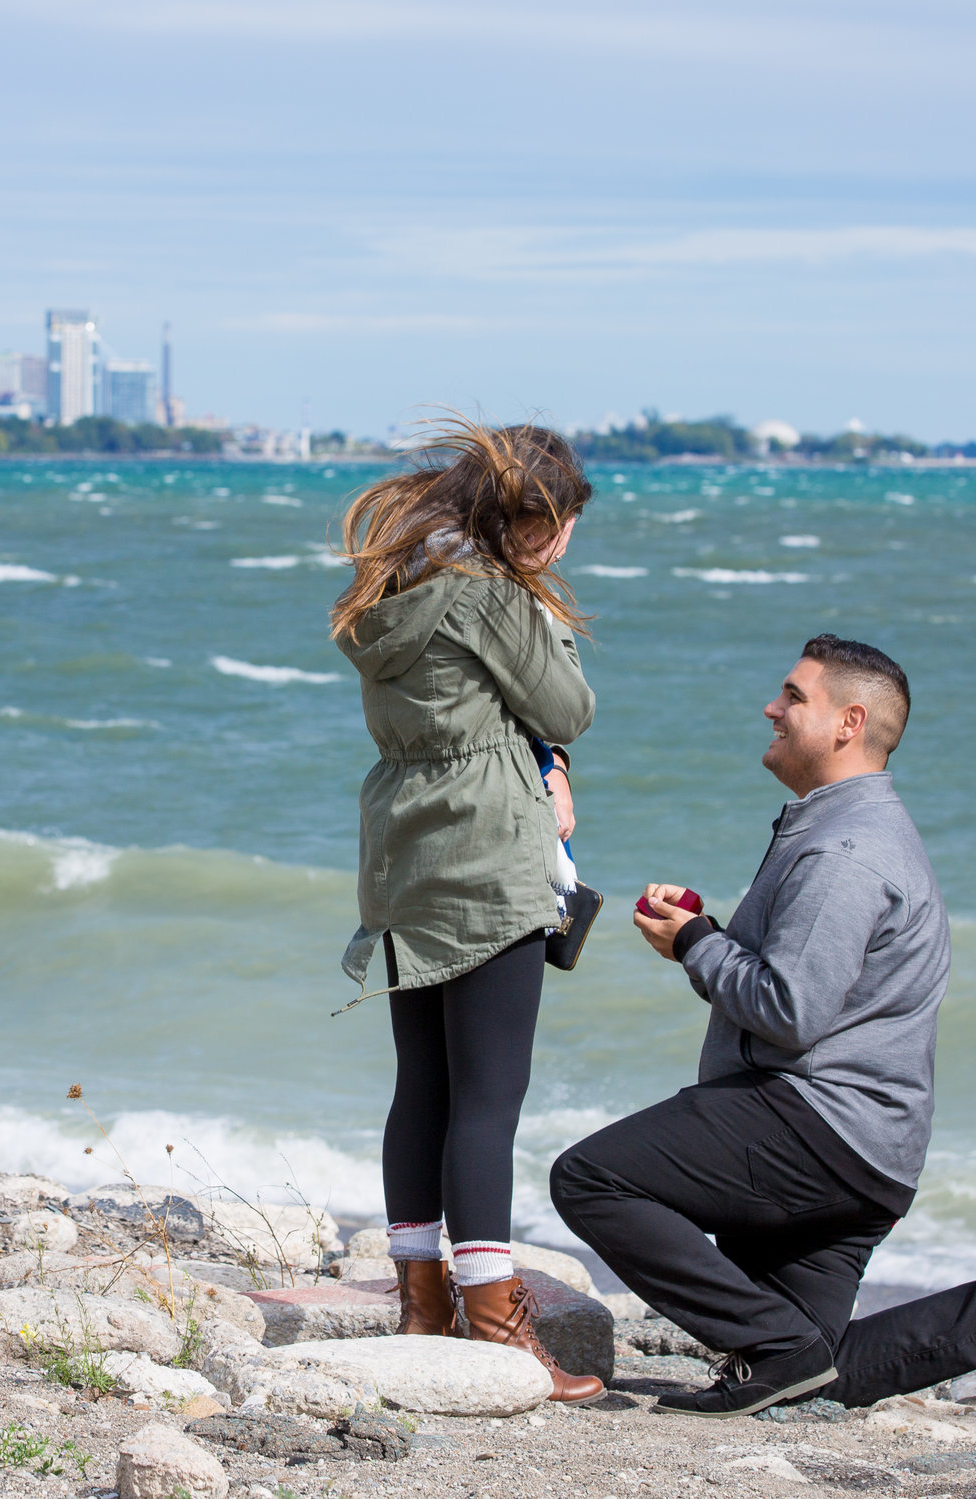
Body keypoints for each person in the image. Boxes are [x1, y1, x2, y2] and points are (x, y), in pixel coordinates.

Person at [548, 635, 976, 1417]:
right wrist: (709, 937)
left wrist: (697, 946)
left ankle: (773, 1343)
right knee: (812, 1381)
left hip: (816, 1130)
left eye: (793, 697)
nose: (772, 707)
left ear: (849, 722)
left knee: (590, 1177)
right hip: (871, 1156)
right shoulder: (849, 828)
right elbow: (808, 986)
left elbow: (790, 1013)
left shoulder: (846, 848)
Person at [330, 420, 603, 1404]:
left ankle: (419, 1302)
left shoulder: (391, 590)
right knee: (489, 1097)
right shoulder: (490, 599)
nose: (565, 542)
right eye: (561, 521)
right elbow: (566, 706)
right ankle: (495, 1321)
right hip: (490, 850)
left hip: (403, 846)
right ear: (532, 519)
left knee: (425, 1087)